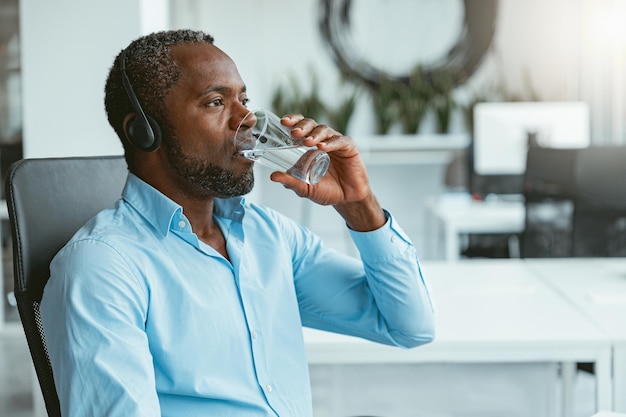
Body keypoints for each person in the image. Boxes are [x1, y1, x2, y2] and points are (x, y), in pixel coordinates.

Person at [40, 29, 435, 417]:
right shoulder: (103, 267)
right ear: (144, 132)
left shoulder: (270, 236)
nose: (247, 120)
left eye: (244, 100)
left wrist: (358, 203)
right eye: (216, 102)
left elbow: (407, 325)